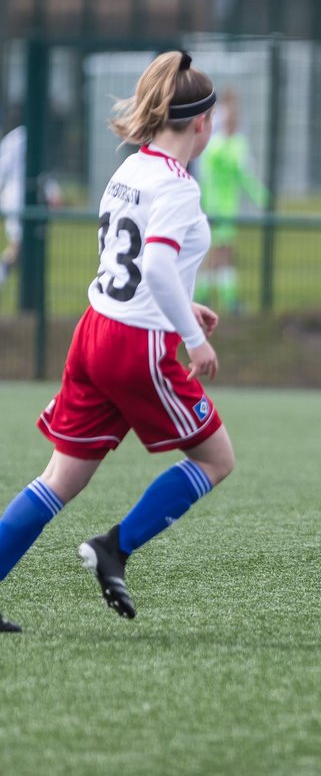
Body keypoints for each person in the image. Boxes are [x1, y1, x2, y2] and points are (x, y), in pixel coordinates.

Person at [0, 51, 234, 633]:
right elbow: (154, 267)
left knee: (61, 478)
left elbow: (129, 263)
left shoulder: (130, 168)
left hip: (95, 330)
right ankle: (114, 548)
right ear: (201, 123)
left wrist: (182, 299)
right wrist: (189, 337)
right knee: (216, 458)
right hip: (135, 346)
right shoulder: (179, 187)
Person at [195, 89, 267, 313]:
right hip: (216, 208)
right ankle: (220, 298)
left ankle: (210, 296)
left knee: (222, 252)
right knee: (219, 253)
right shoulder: (221, 146)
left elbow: (245, 178)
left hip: (226, 207)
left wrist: (260, 197)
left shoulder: (231, 144)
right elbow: (212, 177)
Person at [0, 107, 64, 290]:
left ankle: (24, 285)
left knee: (28, 245)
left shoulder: (24, 138)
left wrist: (52, 193)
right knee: (20, 244)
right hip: (16, 198)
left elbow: (42, 173)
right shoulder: (18, 139)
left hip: (27, 197)